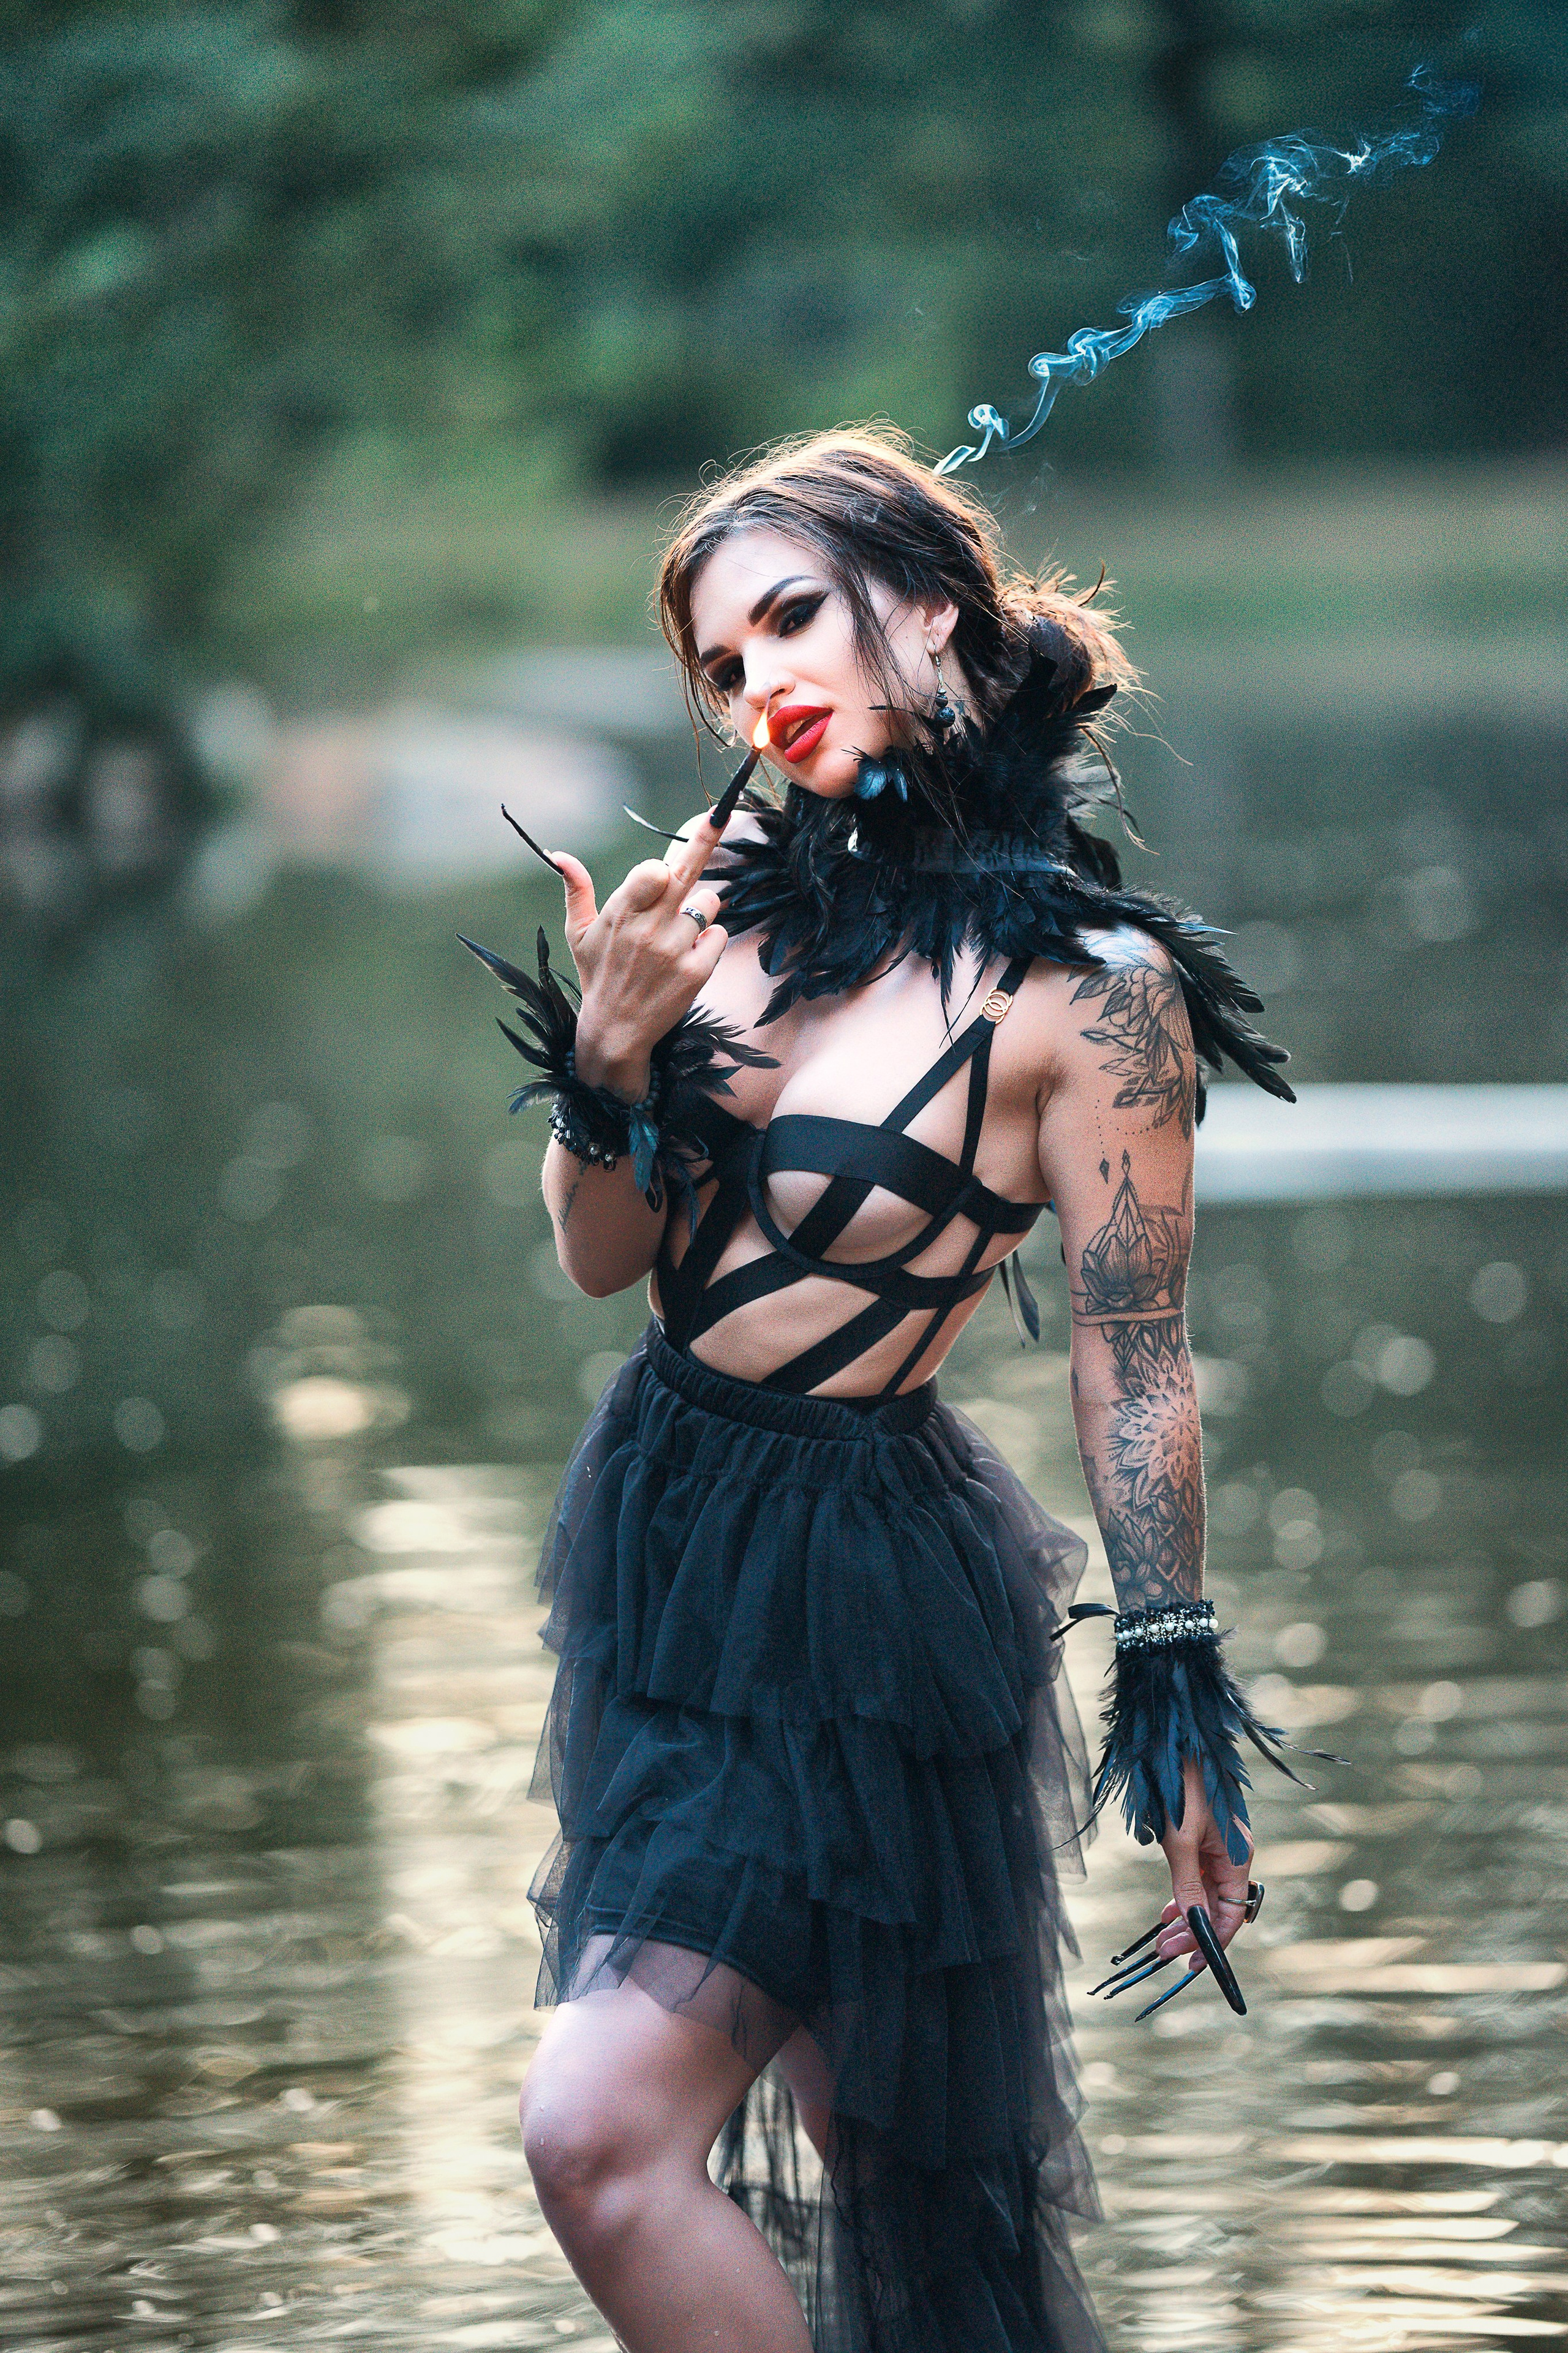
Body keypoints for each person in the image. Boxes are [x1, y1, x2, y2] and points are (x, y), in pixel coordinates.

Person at [467, 428, 1297, 2353]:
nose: (759, 688)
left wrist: (1174, 1689)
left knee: (716, 2150)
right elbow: (605, 1257)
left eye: (788, 621)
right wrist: (609, 1054)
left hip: (872, 1582)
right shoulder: (726, 905)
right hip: (669, 1538)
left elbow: (1136, 1351)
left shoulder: (1091, 992)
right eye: (721, 665)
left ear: (929, 609)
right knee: (812, 2164)